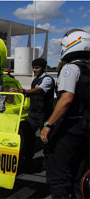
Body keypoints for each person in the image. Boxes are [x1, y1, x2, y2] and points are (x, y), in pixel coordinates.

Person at [40, 29, 90, 198]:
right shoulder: (88, 69)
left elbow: (66, 98)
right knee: (80, 175)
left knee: (58, 176)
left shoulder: (70, 68)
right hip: (86, 129)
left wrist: (48, 125)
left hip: (69, 129)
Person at [10, 58, 55, 173]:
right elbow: (32, 93)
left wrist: (23, 91)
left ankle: (48, 165)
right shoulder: (35, 80)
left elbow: (39, 91)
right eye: (33, 67)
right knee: (28, 137)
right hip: (33, 113)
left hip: (44, 114)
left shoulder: (48, 79)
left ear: (44, 68)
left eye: (37, 68)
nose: (34, 70)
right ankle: (27, 163)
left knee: (46, 140)